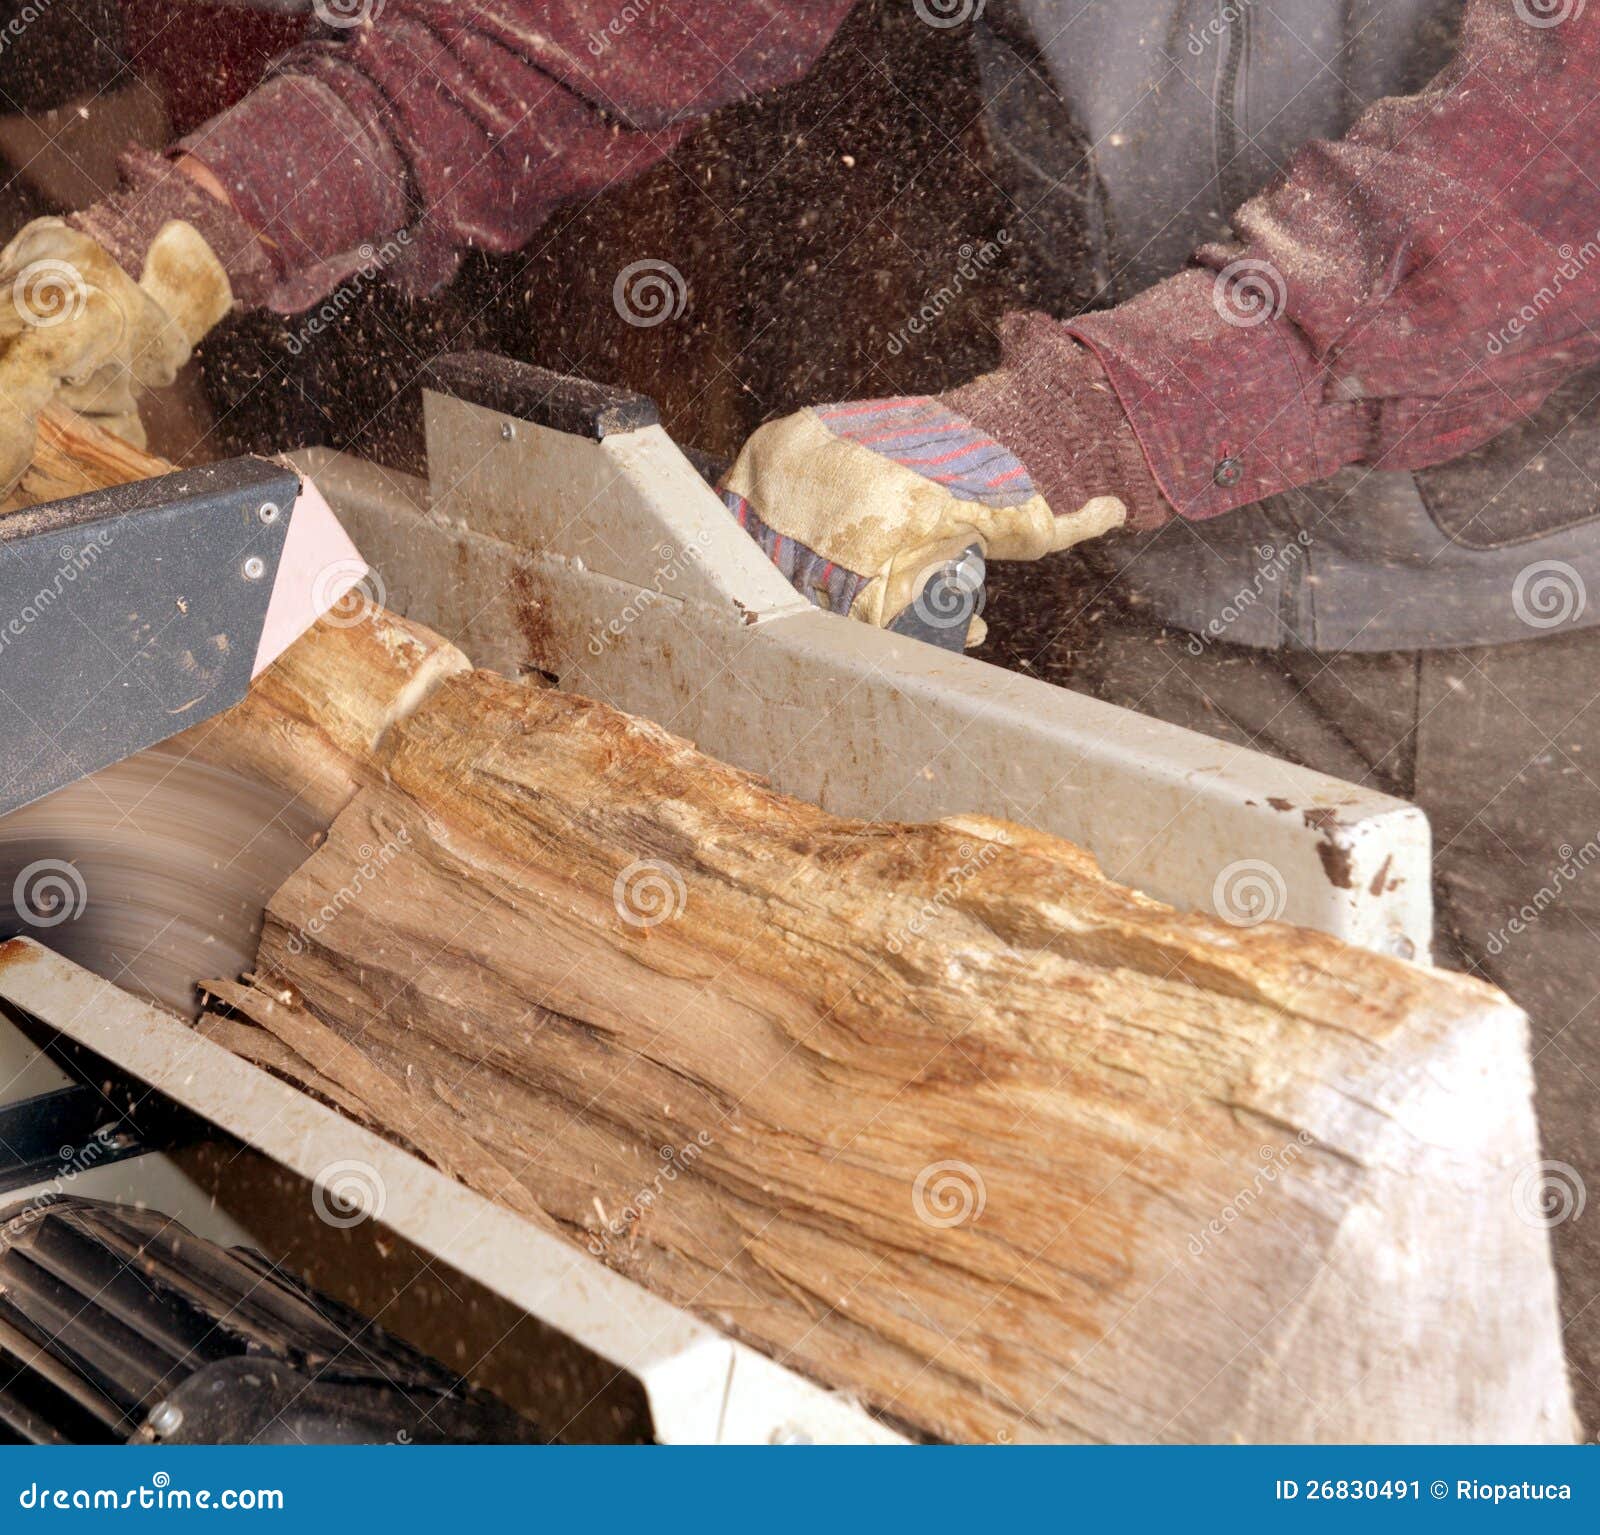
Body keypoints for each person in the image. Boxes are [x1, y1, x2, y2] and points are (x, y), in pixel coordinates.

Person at [0, 0, 1595, 1431]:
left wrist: (1078, 419)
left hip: (1537, 633)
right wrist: (210, 219)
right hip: (1183, 592)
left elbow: (1544, 176)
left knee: (1525, 1285)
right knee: (1151, 1258)